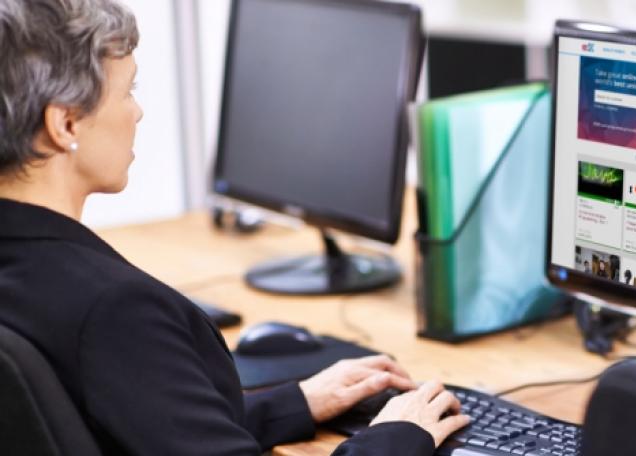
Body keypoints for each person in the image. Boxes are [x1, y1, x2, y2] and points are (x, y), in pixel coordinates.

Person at [0, 1, 468, 455]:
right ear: (63, 124)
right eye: (127, 91)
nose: (137, 113)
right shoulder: (114, 312)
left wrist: (295, 403)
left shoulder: (28, 272)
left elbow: (135, 418)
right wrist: (396, 436)